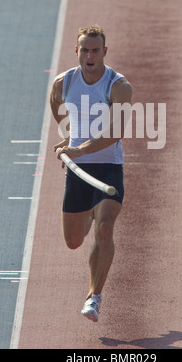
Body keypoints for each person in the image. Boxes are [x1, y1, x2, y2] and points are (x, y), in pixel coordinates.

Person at [50, 24, 132, 322]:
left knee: (106, 225)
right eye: (85, 49)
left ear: (104, 52)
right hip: (78, 171)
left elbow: (116, 132)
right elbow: (56, 104)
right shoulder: (64, 82)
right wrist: (66, 134)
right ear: (77, 51)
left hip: (108, 167)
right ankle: (87, 214)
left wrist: (79, 148)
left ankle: (94, 297)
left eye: (95, 50)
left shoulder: (118, 86)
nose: (90, 55)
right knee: (73, 241)